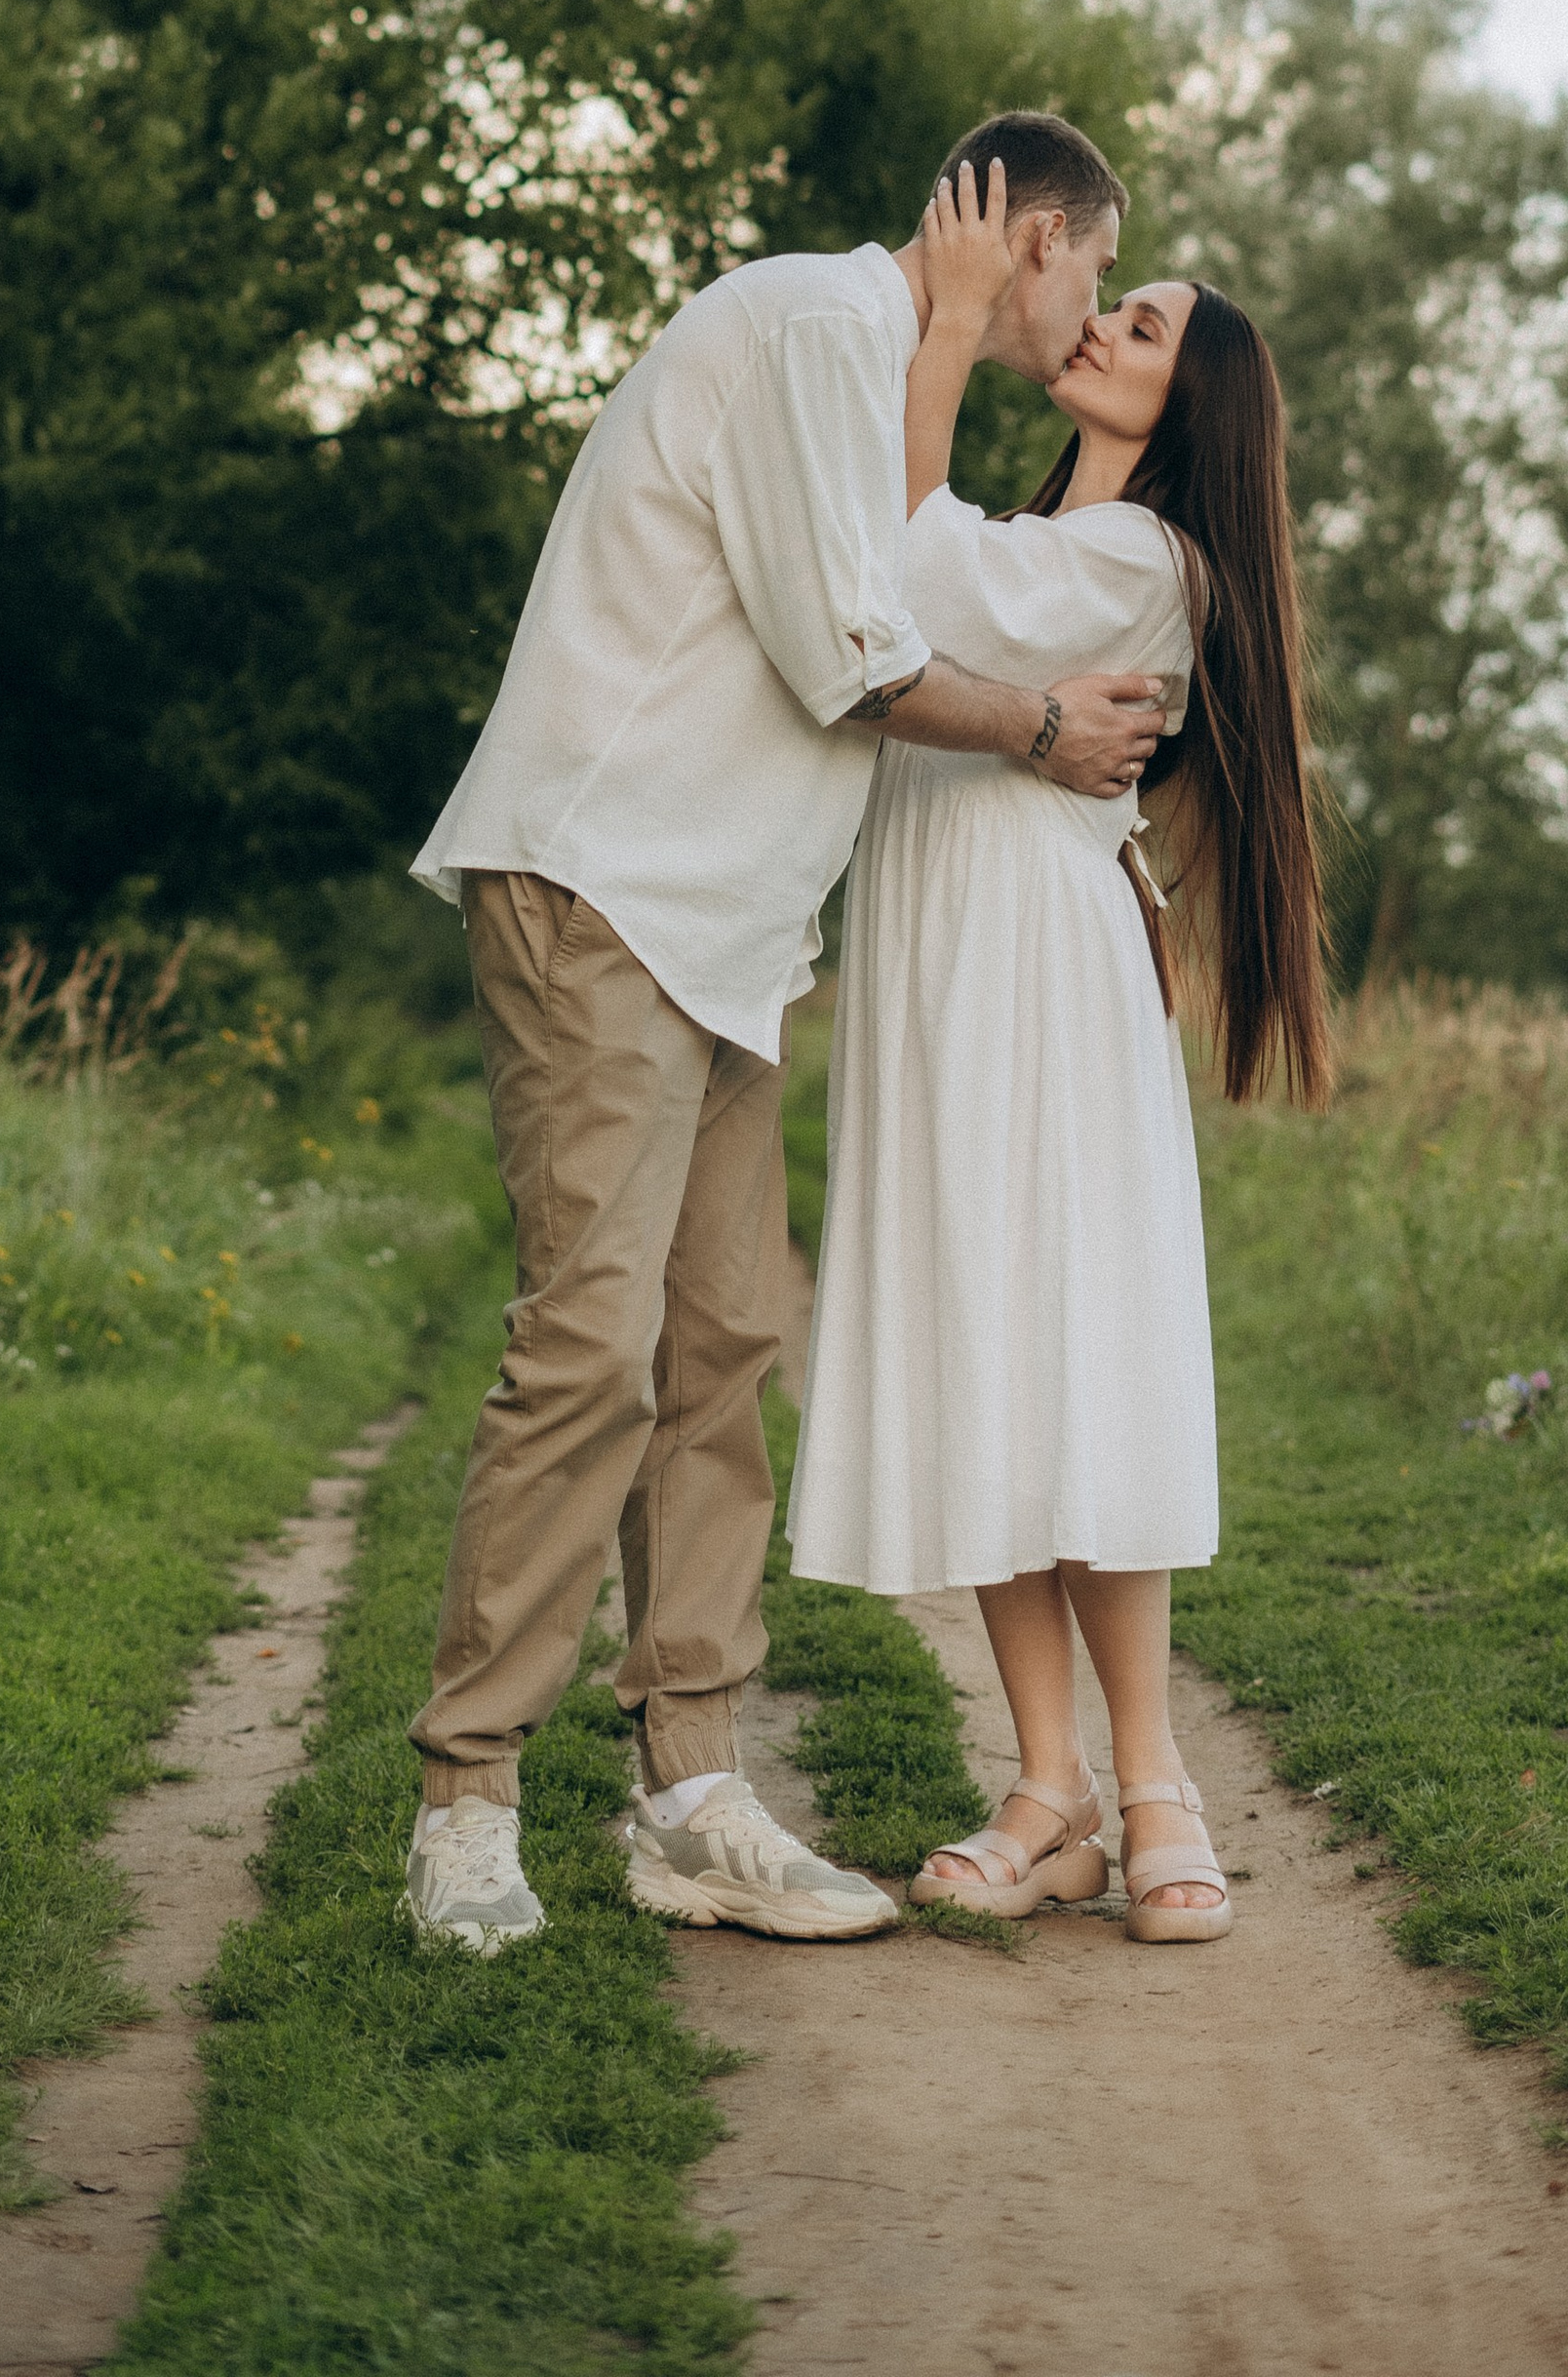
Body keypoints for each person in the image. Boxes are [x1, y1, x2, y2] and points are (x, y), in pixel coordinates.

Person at [398, 113, 1166, 1954]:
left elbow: (888, 583)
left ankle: (691, 1791)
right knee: (591, 1350)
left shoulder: (856, 358)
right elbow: (856, 650)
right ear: (1031, 235)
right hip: (603, 885)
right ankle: (464, 1807)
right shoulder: (814, 324)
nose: (1079, 323)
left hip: (724, 934)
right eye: (1091, 273)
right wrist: (1049, 734)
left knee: (725, 1342)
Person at [789, 161, 1330, 1942]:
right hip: (938, 961)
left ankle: (1157, 1775)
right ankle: (1050, 1790)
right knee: (984, 1352)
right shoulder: (1054, 538)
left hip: (1046, 974)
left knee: (1082, 1346)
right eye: (1118, 299)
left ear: (1196, 403)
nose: (1108, 319)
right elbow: (894, 604)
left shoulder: (1152, 562)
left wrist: (947, 325)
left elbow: (904, 558)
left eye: (1148, 323)